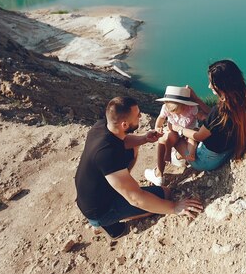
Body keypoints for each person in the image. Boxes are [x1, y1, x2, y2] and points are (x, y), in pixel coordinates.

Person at [74, 96, 203, 238]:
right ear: (124, 125)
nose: (141, 116)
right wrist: (174, 208)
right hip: (100, 210)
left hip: (93, 195)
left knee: (133, 147)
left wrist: (144, 139)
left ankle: (120, 188)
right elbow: (135, 198)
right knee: (165, 194)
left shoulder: (101, 126)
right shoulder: (107, 155)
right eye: (137, 115)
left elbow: (122, 142)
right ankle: (107, 223)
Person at [169, 59, 246, 171]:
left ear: (222, 85)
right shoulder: (241, 101)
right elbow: (214, 117)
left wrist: (177, 128)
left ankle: (178, 158)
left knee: (176, 138)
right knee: (194, 129)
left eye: (212, 82)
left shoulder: (219, 111)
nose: (209, 86)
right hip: (227, 151)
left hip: (206, 161)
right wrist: (196, 99)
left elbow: (198, 136)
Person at [144, 86, 208, 186]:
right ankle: (167, 154)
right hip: (174, 130)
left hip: (188, 130)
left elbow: (199, 116)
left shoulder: (191, 109)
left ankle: (190, 154)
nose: (174, 114)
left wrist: (203, 117)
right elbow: (161, 118)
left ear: (184, 105)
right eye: (172, 112)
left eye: (177, 111)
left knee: (192, 139)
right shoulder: (166, 108)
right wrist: (157, 127)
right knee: (169, 137)